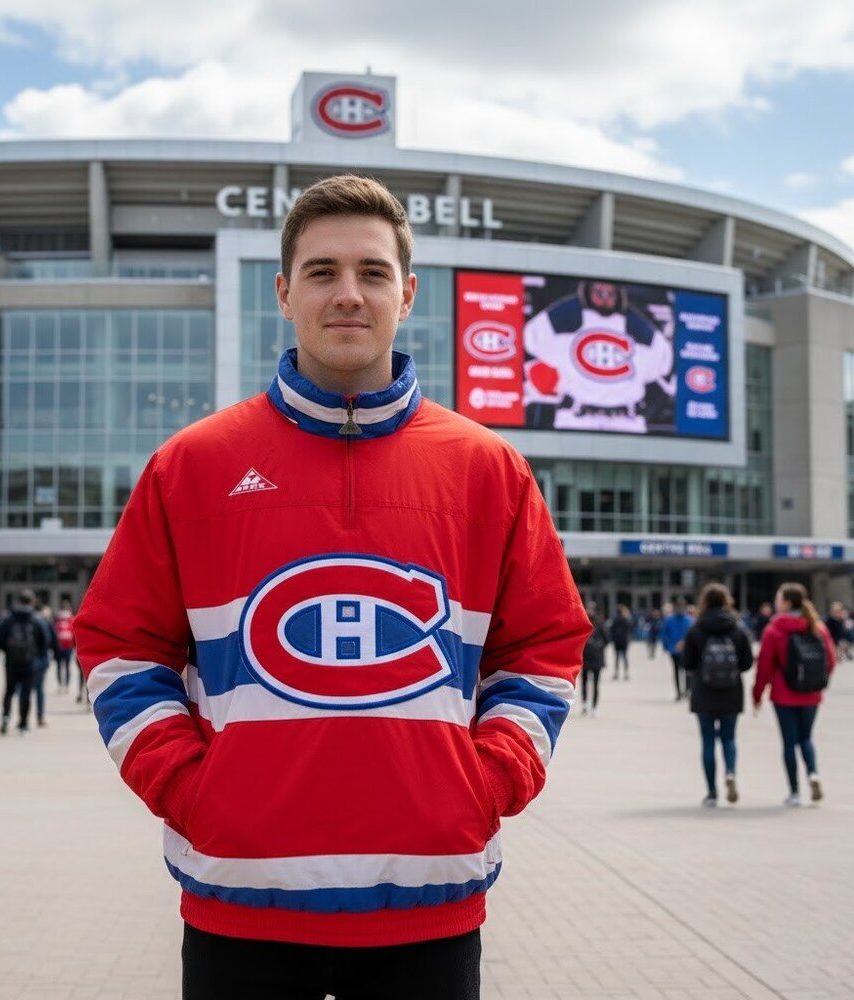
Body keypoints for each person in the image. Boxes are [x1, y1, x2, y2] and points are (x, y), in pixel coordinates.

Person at [73, 174, 591, 1000]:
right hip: (240, 903)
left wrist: (486, 783)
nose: (348, 293)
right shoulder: (192, 466)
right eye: (322, 272)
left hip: (429, 903)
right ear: (284, 293)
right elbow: (118, 645)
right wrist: (192, 791)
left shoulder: (489, 470)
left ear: (407, 294)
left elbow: (544, 647)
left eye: (372, 272)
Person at [753, 582, 836, 806]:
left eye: (779, 598)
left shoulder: (774, 629)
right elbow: (830, 660)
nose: (776, 602)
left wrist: (757, 694)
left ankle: (794, 792)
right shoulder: (818, 627)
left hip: (784, 694)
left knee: (789, 742)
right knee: (806, 738)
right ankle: (813, 774)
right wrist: (818, 682)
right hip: (812, 695)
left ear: (787, 603)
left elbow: (764, 666)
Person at [679, 583, 753, 807]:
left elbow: (687, 663)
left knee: (708, 741)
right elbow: (747, 663)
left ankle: (711, 793)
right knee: (729, 738)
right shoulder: (737, 629)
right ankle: (730, 772)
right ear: (726, 601)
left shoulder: (696, 629)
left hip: (704, 691)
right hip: (731, 691)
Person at [0, 590, 47, 734]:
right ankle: (23, 723)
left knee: (9, 691)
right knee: (26, 693)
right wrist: (36, 655)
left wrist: (8, 652)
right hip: (30, 663)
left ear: (18, 601)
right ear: (32, 602)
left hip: (11, 662)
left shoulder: (8, 619)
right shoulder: (36, 619)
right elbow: (44, 641)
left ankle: (5, 717)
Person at [661, 597, 693, 701]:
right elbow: (665, 634)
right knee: (678, 671)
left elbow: (693, 635)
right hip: (675, 650)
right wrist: (667, 646)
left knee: (687, 671)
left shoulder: (689, 619)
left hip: (686, 650)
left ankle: (686, 690)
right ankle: (679, 692)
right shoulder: (670, 620)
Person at [32, 604, 58, 727]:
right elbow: (52, 640)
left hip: (23, 661)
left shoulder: (18, 618)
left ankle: (21, 719)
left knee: (24, 690)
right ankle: (40, 716)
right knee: (39, 689)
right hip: (40, 660)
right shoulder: (44, 622)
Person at [581, 603, 608, 716]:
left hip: (595, 657)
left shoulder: (599, 624)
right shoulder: (583, 623)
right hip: (586, 657)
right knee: (585, 682)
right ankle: (586, 704)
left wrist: (598, 645)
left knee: (595, 683)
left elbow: (607, 639)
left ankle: (593, 706)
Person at [54, 600, 76, 691]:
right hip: (69, 645)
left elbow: (53, 631)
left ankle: (60, 684)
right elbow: (74, 633)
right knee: (67, 665)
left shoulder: (57, 618)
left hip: (59, 645)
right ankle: (67, 684)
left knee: (59, 666)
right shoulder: (71, 618)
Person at [608, 604, 632, 680]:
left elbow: (611, 630)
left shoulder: (614, 620)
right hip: (624, 641)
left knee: (617, 658)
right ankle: (626, 673)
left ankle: (616, 673)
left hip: (617, 641)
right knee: (625, 657)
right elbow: (629, 629)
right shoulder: (626, 620)